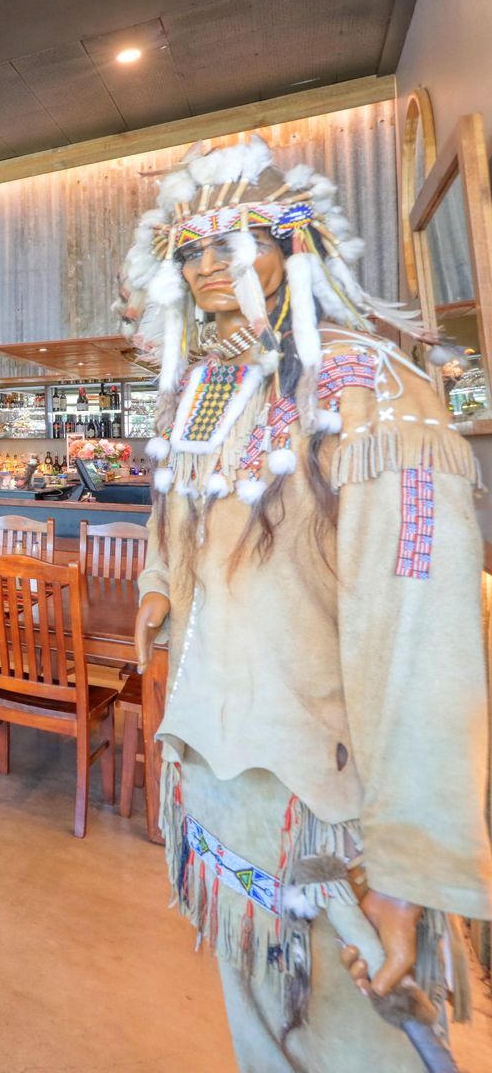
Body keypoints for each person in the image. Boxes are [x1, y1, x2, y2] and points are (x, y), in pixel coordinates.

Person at [120, 135, 490, 1070]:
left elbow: (421, 649)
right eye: (190, 249)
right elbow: (182, 511)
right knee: (259, 1036)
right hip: (212, 778)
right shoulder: (207, 388)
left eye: (234, 241)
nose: (208, 265)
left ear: (298, 242)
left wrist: (408, 872)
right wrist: (161, 587)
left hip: (328, 813)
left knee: (356, 1046)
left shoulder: (376, 395)